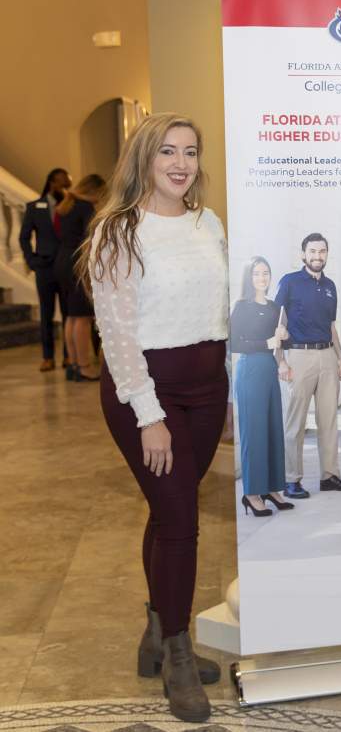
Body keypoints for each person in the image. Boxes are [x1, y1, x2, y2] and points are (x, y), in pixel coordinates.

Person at [80, 113, 228, 724]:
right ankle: (178, 655)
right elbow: (117, 336)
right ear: (144, 157)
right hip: (146, 393)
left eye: (190, 152)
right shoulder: (117, 231)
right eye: (168, 151)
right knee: (181, 522)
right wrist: (149, 415)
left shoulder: (207, 222)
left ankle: (154, 634)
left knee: (170, 512)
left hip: (207, 389)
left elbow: (219, 310)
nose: (181, 163)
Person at [275, 233, 341, 498]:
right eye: (312, 251)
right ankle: (291, 480)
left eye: (322, 251)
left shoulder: (330, 286)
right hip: (299, 357)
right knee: (296, 422)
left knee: (329, 420)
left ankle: (330, 476)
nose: (317, 256)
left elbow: (331, 326)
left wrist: (340, 357)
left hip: (327, 356)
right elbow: (278, 323)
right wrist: (280, 360)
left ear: (326, 254)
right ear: (303, 254)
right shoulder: (289, 282)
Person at [231, 256, 292, 516]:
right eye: (256, 273)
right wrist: (266, 343)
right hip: (250, 370)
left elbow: (281, 342)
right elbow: (234, 343)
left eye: (265, 272)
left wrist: (284, 337)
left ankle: (273, 488)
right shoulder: (241, 306)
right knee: (254, 433)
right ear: (249, 277)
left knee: (273, 429)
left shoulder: (275, 307)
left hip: (269, 368)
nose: (262, 278)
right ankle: (252, 493)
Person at [54, 173, 106, 381]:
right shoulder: (85, 208)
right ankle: (85, 367)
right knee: (83, 318)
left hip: (62, 261)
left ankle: (73, 364)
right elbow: (91, 238)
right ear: (94, 190)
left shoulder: (66, 206)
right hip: (77, 263)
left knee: (72, 316)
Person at [19, 167, 71, 371]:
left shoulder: (70, 206)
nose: (65, 186)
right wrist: (31, 260)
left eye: (67, 183)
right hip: (45, 268)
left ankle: (69, 355)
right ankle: (48, 357)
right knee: (46, 312)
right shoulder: (34, 207)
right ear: (52, 183)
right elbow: (24, 237)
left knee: (69, 313)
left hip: (65, 267)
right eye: (62, 182)